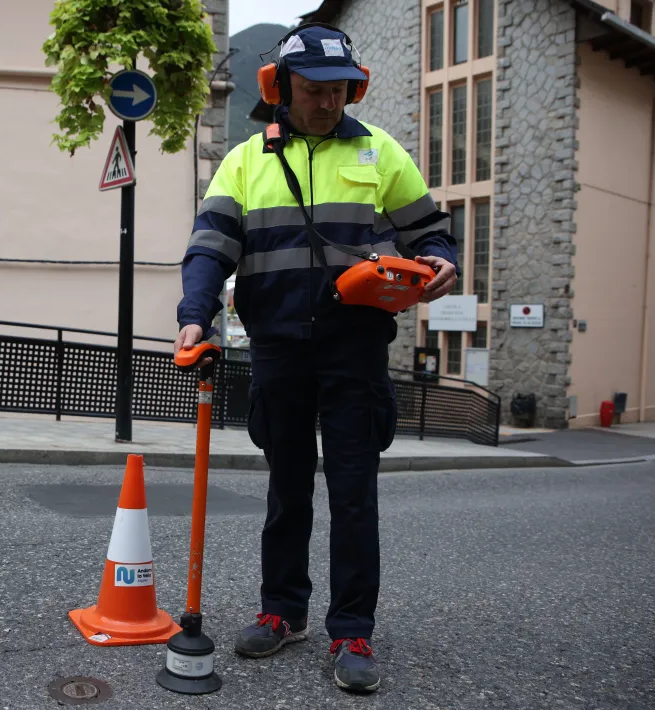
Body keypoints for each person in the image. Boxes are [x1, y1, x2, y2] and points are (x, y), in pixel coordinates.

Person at [174, 23, 458, 693]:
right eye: (313, 91)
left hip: (355, 347)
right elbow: (210, 245)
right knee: (286, 488)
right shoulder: (246, 160)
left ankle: (353, 629)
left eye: (339, 91)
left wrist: (442, 260)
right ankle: (282, 611)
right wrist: (194, 316)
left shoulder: (379, 151)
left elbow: (431, 232)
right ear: (281, 88)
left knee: (354, 495)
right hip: (277, 348)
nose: (329, 104)